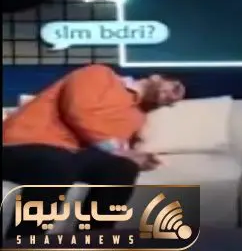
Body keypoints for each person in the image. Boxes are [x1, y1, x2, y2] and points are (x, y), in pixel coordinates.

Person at [2, 64, 185, 238]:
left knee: (122, 168)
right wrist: (119, 150)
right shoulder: (99, 74)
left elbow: (115, 148)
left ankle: (93, 240)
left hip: (70, 154)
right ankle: (22, 243)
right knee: (56, 164)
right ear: (156, 77)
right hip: (21, 144)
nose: (173, 97)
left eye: (176, 100)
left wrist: (138, 157)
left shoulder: (138, 117)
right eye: (175, 87)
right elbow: (77, 111)